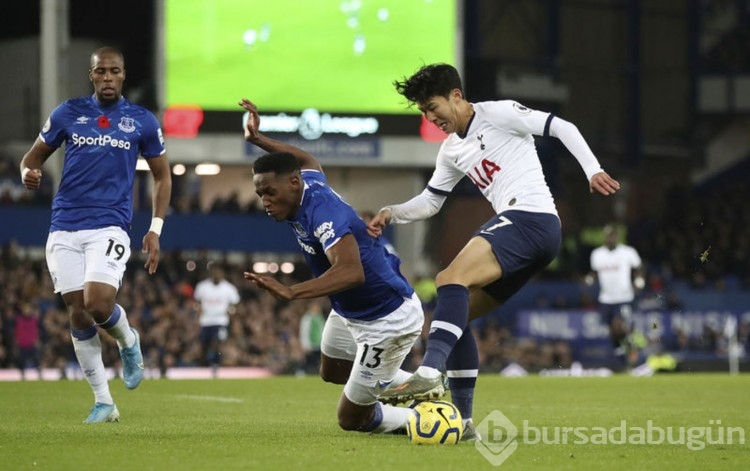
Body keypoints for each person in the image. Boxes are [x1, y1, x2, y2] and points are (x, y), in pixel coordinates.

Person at [369, 64, 621, 432]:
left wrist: (592, 169)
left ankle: (427, 371)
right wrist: (393, 212)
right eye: (423, 111)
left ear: (456, 95)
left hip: (532, 218)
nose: (430, 117)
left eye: (432, 107)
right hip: (530, 234)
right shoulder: (452, 151)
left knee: (448, 278)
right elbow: (430, 202)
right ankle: (464, 419)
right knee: (457, 317)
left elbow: (562, 127)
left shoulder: (499, 113)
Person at [239, 98, 426, 437]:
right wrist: (258, 140)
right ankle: (417, 385)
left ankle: (429, 419)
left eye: (270, 191)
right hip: (350, 308)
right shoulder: (305, 181)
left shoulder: (323, 213)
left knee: (351, 419)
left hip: (386, 316)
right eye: (260, 194)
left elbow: (351, 272)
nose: (265, 200)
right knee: (333, 370)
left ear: (293, 184)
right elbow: (307, 158)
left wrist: (293, 291)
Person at [19, 46, 172, 423]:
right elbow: (32, 158)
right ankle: (104, 401)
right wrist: (28, 174)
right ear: (92, 75)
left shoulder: (142, 121)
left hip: (110, 223)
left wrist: (155, 228)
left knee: (98, 304)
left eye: (114, 72)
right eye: (101, 71)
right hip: (64, 225)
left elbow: (162, 176)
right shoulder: (68, 113)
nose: (107, 78)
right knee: (78, 312)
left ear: (124, 75)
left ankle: (128, 342)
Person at [587, 224, 644, 368]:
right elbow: (595, 272)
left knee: (617, 326)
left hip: (624, 297)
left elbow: (639, 267)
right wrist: (589, 278)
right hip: (606, 298)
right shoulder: (597, 254)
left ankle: (630, 348)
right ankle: (621, 352)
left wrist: (639, 281)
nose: (611, 238)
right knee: (612, 331)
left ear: (617, 237)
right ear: (605, 238)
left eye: (613, 235)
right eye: (608, 235)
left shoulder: (627, 252)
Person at [193, 262, 241, 376]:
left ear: (222, 273)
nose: (217, 273)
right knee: (204, 344)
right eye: (214, 271)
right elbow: (197, 303)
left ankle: (215, 365)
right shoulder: (202, 287)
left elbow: (234, 305)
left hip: (221, 321)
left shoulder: (229, 288)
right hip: (205, 321)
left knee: (217, 342)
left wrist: (232, 315)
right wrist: (197, 317)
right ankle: (203, 364)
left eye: (219, 271)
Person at [298, 300, 326, 375]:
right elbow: (304, 331)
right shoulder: (307, 318)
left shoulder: (320, 317)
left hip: (319, 343)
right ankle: (301, 372)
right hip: (311, 344)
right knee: (309, 360)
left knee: (318, 361)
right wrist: (305, 345)